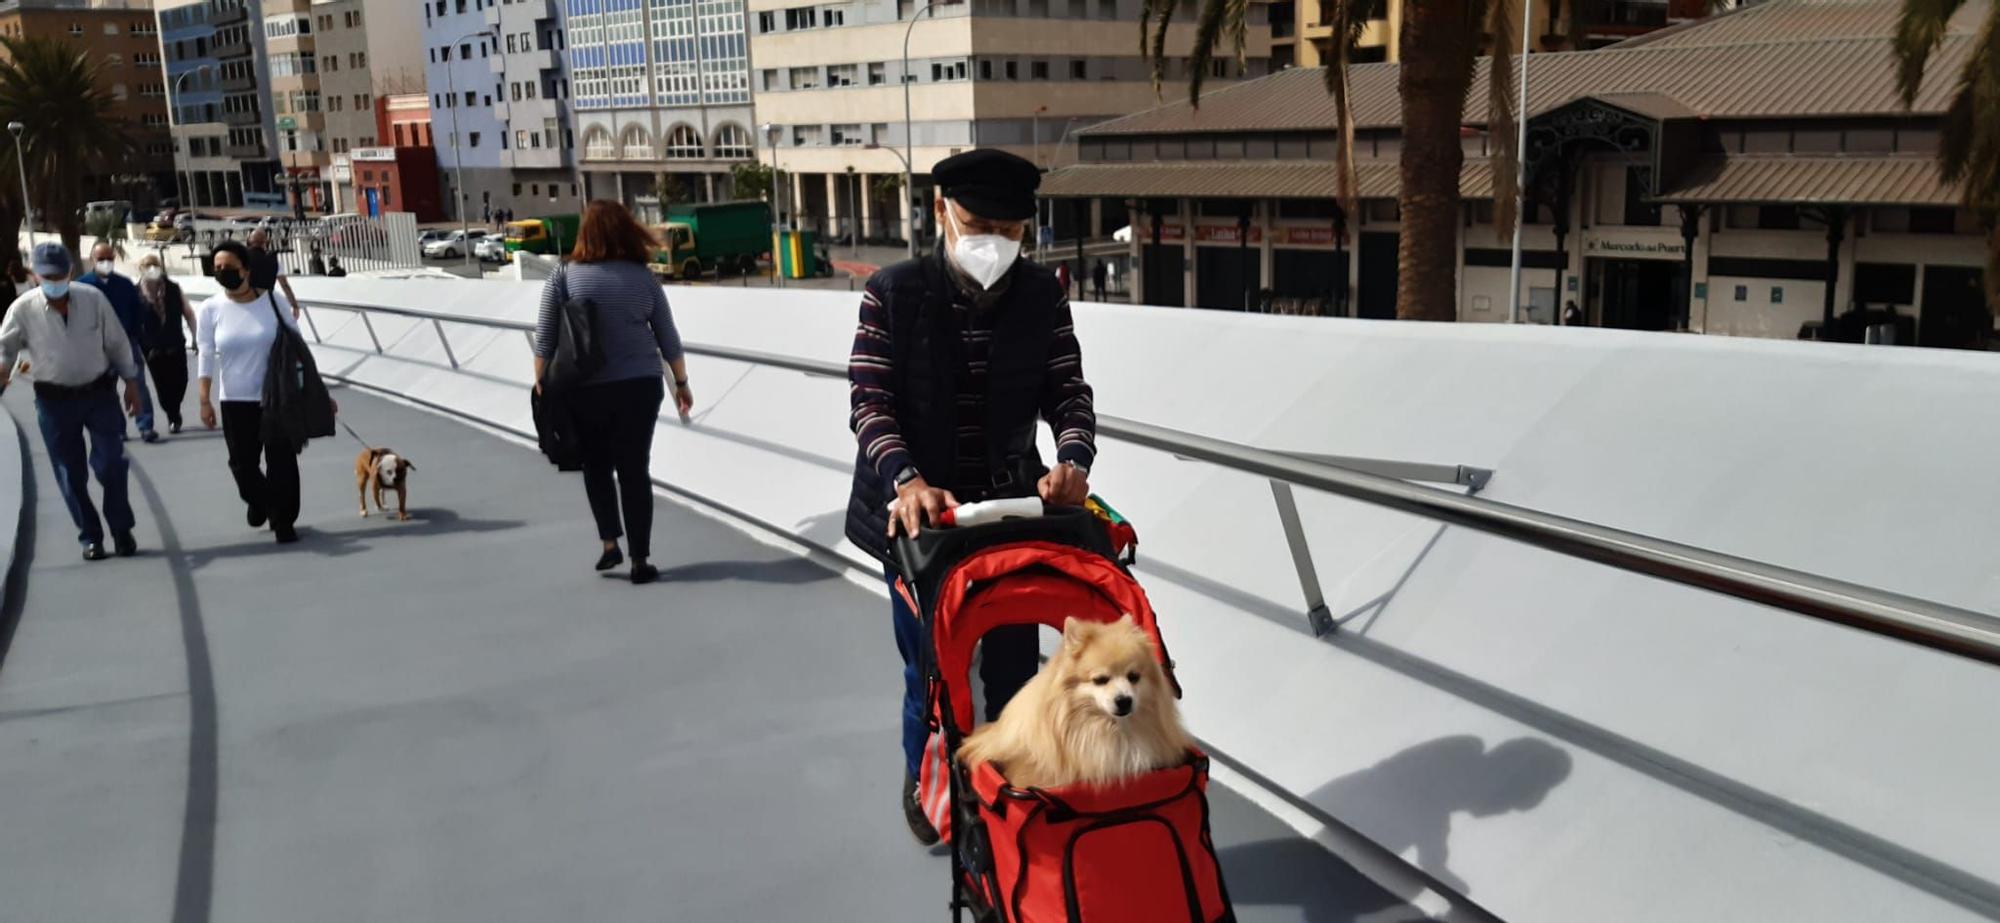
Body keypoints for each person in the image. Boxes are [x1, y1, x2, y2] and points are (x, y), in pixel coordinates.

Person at [845, 149, 1097, 845]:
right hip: (916, 520)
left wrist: (1072, 460)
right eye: (980, 222)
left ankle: (1006, 789)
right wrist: (907, 480)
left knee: (1015, 665)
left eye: (1011, 230)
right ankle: (927, 778)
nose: (996, 241)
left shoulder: (1043, 296)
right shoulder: (892, 293)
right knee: (930, 666)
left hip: (1007, 512)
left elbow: (1069, 393)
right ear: (940, 212)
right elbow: (871, 402)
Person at [532, 200, 694, 585]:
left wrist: (542, 385)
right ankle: (641, 560)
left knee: (597, 466)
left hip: (585, 388)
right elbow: (667, 336)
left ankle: (610, 544)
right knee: (635, 470)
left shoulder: (564, 276)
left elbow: (546, 338)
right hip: (640, 386)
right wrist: (682, 384)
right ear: (626, 230)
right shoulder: (643, 277)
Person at [0, 242, 145, 560]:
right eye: (47, 275)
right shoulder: (23, 308)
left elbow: (117, 342)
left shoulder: (93, 299)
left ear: (69, 272)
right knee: (70, 472)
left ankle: (122, 529)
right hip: (54, 402)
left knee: (111, 463)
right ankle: (90, 535)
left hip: (99, 394)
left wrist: (131, 383)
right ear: (36, 276)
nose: (54, 281)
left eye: (59, 274)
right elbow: (5, 349)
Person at [196, 241, 306, 544]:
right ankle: (261, 501)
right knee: (242, 465)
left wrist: (312, 389)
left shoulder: (273, 302)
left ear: (245, 269)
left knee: (281, 460)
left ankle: (283, 520)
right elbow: (205, 353)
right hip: (235, 400)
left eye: (228, 267)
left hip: (275, 397)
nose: (222, 272)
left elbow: (297, 347)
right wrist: (204, 398)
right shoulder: (211, 309)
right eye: (217, 268)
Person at [78, 242, 161, 443]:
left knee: (138, 383)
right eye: (101, 259)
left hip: (126, 343)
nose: (106, 263)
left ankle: (146, 426)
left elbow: (137, 311)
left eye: (110, 259)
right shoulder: (82, 286)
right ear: (92, 260)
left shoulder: (124, 284)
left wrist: (134, 334)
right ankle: (118, 429)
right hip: (97, 347)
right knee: (107, 389)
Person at [135, 253, 198, 434]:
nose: (152, 269)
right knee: (162, 385)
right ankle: (173, 415)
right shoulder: (135, 292)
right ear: (141, 270)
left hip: (175, 342)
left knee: (181, 380)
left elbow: (188, 313)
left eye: (155, 265)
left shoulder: (173, 288)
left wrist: (194, 336)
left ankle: (175, 406)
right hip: (152, 347)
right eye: (147, 266)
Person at [244, 229, 300, 320]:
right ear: (265, 242)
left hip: (246, 303)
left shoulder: (242, 259)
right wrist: (294, 305)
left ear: (249, 241)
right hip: (267, 303)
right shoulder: (274, 260)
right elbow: (285, 285)